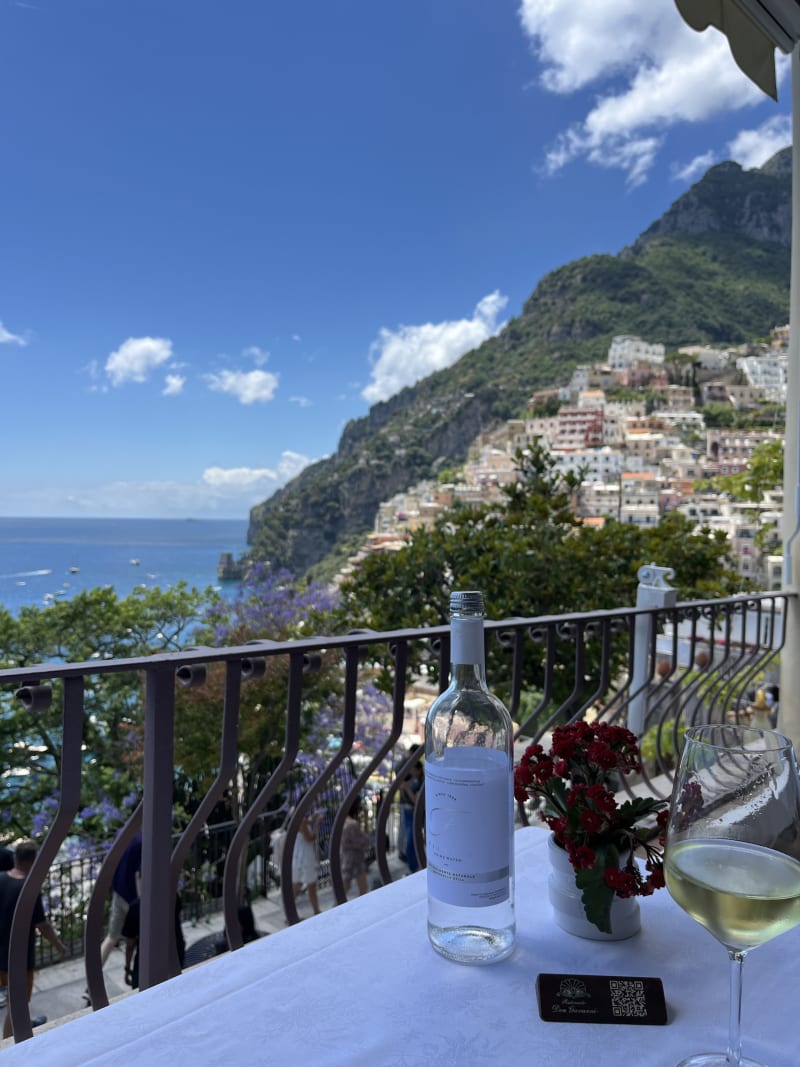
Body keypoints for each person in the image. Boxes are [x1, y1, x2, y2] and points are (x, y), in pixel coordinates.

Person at [0, 841, 66, 1039]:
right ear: (32, 861)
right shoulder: (29, 888)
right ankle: (8, 1043)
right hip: (19, 958)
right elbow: (42, 926)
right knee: (16, 1003)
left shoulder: (0, 879)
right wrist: (60, 947)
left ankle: (26, 1024)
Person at [100, 831, 142, 968]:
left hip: (119, 892)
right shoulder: (145, 840)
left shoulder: (122, 833)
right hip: (134, 898)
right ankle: (129, 969)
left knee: (111, 937)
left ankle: (91, 981)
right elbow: (139, 875)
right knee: (134, 939)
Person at [292, 810, 322, 916]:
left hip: (300, 854)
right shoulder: (302, 819)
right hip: (305, 855)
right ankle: (316, 910)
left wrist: (311, 818)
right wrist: (317, 823)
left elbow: (305, 824)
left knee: (299, 884)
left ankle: (315, 910)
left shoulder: (296, 816)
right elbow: (309, 837)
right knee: (310, 884)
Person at [340, 798, 371, 899]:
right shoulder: (352, 824)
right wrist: (366, 821)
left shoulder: (343, 820)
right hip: (354, 858)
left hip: (346, 857)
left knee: (346, 886)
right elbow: (364, 842)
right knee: (362, 888)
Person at [399, 756, 424, 874]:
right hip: (407, 813)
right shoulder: (412, 780)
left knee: (411, 843)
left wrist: (407, 789)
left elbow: (416, 801)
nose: (411, 771)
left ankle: (415, 869)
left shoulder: (421, 783)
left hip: (414, 814)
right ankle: (414, 868)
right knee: (409, 843)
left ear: (418, 769)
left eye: (413, 769)